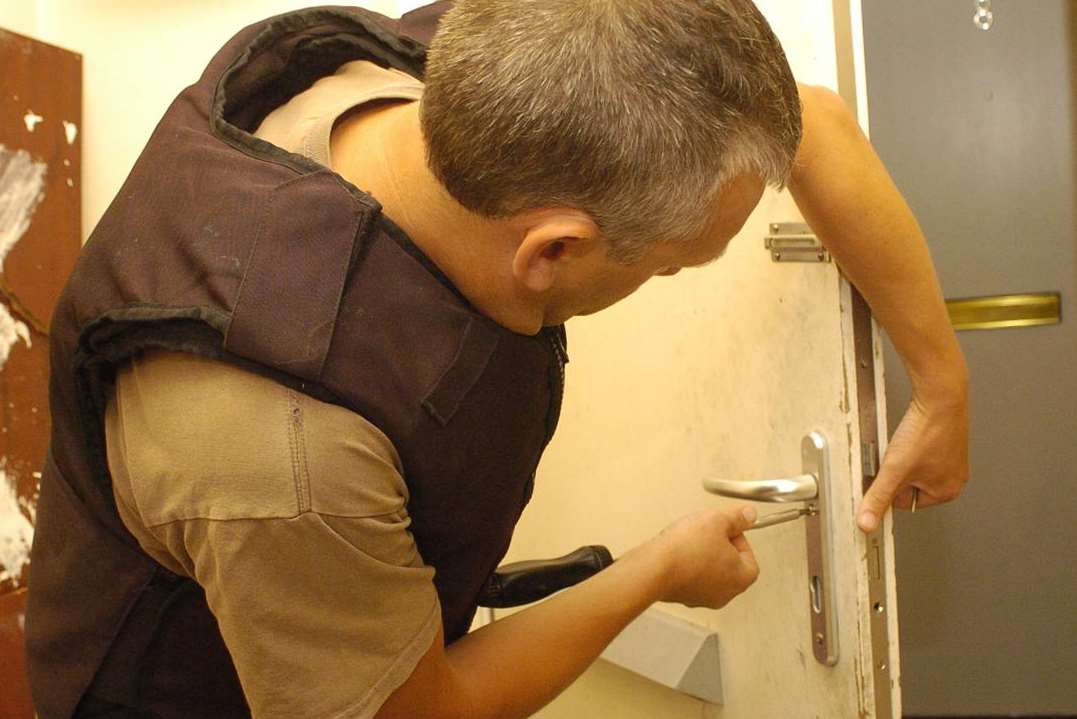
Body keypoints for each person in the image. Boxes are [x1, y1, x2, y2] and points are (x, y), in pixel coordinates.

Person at [25, 1, 969, 718]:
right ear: (552, 250)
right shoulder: (283, 448)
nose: (673, 273)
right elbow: (417, 709)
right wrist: (649, 573)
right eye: (674, 266)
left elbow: (811, 127)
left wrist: (941, 389)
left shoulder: (489, 65)